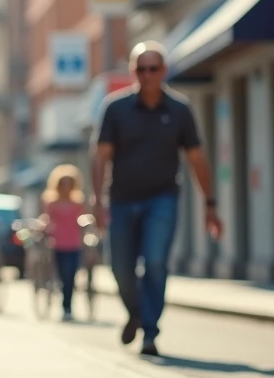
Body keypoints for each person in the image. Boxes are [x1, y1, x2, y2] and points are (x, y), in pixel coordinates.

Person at [92, 41, 222, 357]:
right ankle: (136, 312)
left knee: (155, 262)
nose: (147, 75)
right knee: (120, 268)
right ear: (133, 72)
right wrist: (97, 201)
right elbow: (101, 157)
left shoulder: (179, 110)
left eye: (153, 69)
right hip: (121, 201)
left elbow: (197, 158)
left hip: (161, 200)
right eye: (141, 69)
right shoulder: (115, 108)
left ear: (163, 71)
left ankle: (150, 332)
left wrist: (210, 204)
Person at [40, 164, 86, 322]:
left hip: (74, 244)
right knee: (61, 276)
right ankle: (63, 303)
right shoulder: (51, 203)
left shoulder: (78, 203)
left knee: (70, 277)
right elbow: (47, 220)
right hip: (57, 244)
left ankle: (67, 306)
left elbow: (82, 220)